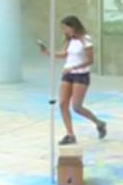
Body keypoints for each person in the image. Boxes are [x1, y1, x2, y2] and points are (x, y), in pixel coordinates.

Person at [39, 15, 107, 145]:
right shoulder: (70, 40)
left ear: (73, 26)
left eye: (66, 28)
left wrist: (73, 67)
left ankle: (99, 123)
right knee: (63, 103)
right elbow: (65, 54)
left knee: (76, 106)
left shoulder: (86, 40)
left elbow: (90, 60)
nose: (64, 31)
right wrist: (47, 52)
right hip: (68, 74)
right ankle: (70, 135)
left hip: (80, 75)